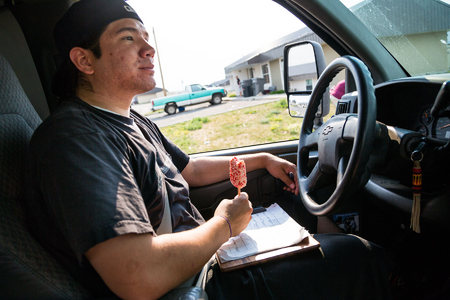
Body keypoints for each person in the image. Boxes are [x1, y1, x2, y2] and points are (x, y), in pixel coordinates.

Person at [25, 0, 391, 299]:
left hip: (204, 261)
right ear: (84, 60)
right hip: (198, 286)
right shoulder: (76, 139)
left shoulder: (130, 119)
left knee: (299, 212)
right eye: (127, 38)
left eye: (145, 36)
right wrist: (224, 225)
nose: (149, 48)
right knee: (358, 256)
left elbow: (189, 171)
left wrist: (261, 160)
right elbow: (137, 276)